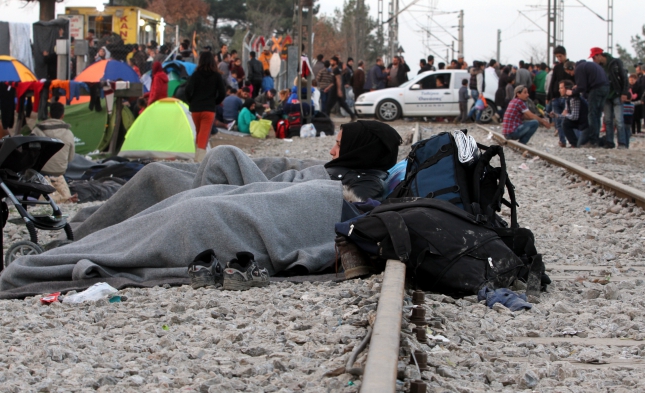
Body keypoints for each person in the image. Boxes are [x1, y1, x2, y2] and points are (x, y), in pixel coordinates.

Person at [185, 52, 226, 162]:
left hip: (195, 109)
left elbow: (187, 90)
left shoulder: (195, 74)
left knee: (199, 133)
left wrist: (191, 102)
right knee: (204, 134)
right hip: (208, 109)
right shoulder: (216, 76)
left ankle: (197, 157)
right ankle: (199, 161)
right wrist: (214, 102)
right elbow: (222, 93)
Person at [30, 102, 75, 203]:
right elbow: (71, 158)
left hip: (40, 174)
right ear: (62, 115)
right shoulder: (69, 133)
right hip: (60, 174)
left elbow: (30, 155)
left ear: (49, 114)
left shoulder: (37, 130)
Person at [591, 47, 630, 149]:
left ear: (599, 55)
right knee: (608, 120)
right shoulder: (599, 67)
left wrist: (624, 92)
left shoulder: (615, 63)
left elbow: (624, 77)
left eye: (594, 58)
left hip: (617, 94)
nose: (593, 61)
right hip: (606, 97)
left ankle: (622, 143)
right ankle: (609, 142)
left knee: (619, 120)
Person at [564, 60, 609, 147]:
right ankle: (597, 139)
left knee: (592, 115)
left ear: (571, 67)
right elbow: (585, 85)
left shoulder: (578, 69)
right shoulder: (587, 65)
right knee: (597, 114)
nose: (571, 74)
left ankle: (592, 141)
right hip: (605, 88)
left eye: (569, 72)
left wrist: (572, 92)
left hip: (596, 89)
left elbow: (582, 87)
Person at [546, 46, 575, 148]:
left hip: (567, 97)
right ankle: (562, 141)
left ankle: (572, 140)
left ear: (565, 55)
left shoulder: (571, 66)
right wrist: (549, 96)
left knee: (569, 119)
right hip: (556, 97)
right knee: (558, 121)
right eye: (557, 56)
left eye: (560, 56)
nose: (559, 58)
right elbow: (552, 81)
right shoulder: (557, 67)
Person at [551, 80, 588, 147]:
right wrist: (556, 115)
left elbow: (574, 117)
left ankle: (575, 143)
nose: (559, 90)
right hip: (579, 123)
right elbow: (566, 116)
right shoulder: (568, 98)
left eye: (561, 88)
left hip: (584, 125)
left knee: (565, 123)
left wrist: (566, 115)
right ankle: (575, 143)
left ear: (567, 89)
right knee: (565, 121)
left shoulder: (574, 99)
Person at [326, 56, 357, 121]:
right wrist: (328, 88)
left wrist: (339, 90)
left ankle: (326, 119)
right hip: (335, 88)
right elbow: (333, 81)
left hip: (335, 90)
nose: (330, 62)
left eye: (331, 61)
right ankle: (352, 115)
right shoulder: (334, 69)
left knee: (328, 105)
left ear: (335, 61)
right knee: (342, 104)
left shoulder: (336, 69)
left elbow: (338, 80)